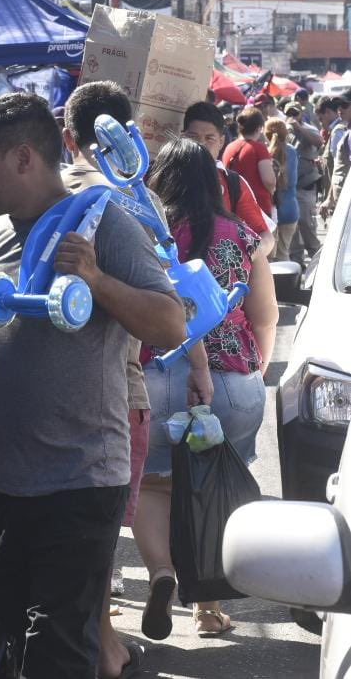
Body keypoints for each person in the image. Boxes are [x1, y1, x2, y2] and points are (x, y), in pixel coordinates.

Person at [0, 93, 185, 678]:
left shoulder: (104, 223)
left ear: (23, 158)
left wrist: (95, 280)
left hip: (80, 480)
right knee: (23, 642)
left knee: (56, 651)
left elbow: (170, 323)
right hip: (6, 483)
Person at [135, 138, 278, 640]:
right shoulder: (241, 234)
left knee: (154, 484)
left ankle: (161, 574)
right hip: (231, 378)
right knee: (212, 489)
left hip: (155, 375)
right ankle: (208, 608)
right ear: (214, 184)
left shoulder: (144, 234)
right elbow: (266, 315)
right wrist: (252, 369)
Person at [60, 80, 157, 679]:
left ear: (66, 137)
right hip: (121, 400)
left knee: (76, 555)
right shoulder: (133, 205)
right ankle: (107, 654)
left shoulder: (27, 205)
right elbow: (171, 321)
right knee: (93, 551)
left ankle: (104, 650)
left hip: (43, 410)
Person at [182, 102, 276, 256]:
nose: (201, 144)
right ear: (183, 136)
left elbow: (265, 236)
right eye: (193, 137)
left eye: (209, 138)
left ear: (221, 142)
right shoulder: (162, 174)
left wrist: (246, 258)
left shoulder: (233, 183)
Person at [284, 104, 324, 264]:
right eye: (290, 113)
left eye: (296, 113)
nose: (293, 116)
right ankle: (297, 265)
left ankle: (318, 263)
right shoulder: (284, 130)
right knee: (293, 236)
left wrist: (299, 128)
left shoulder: (307, 128)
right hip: (290, 189)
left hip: (305, 186)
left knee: (308, 228)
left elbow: (319, 141)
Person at [222, 106, 277, 223]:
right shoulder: (259, 149)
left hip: (233, 207)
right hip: (258, 208)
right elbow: (269, 181)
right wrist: (273, 190)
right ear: (259, 128)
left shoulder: (229, 147)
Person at [265, 118, 300, 261]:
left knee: (269, 258)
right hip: (290, 208)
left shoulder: (264, 152)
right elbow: (293, 181)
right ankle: (287, 283)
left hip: (270, 210)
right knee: (284, 253)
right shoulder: (292, 151)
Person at [320, 96, 351, 222]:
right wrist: (330, 199)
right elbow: (339, 169)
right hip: (344, 201)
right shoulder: (347, 132)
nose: (339, 109)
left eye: (344, 105)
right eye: (338, 106)